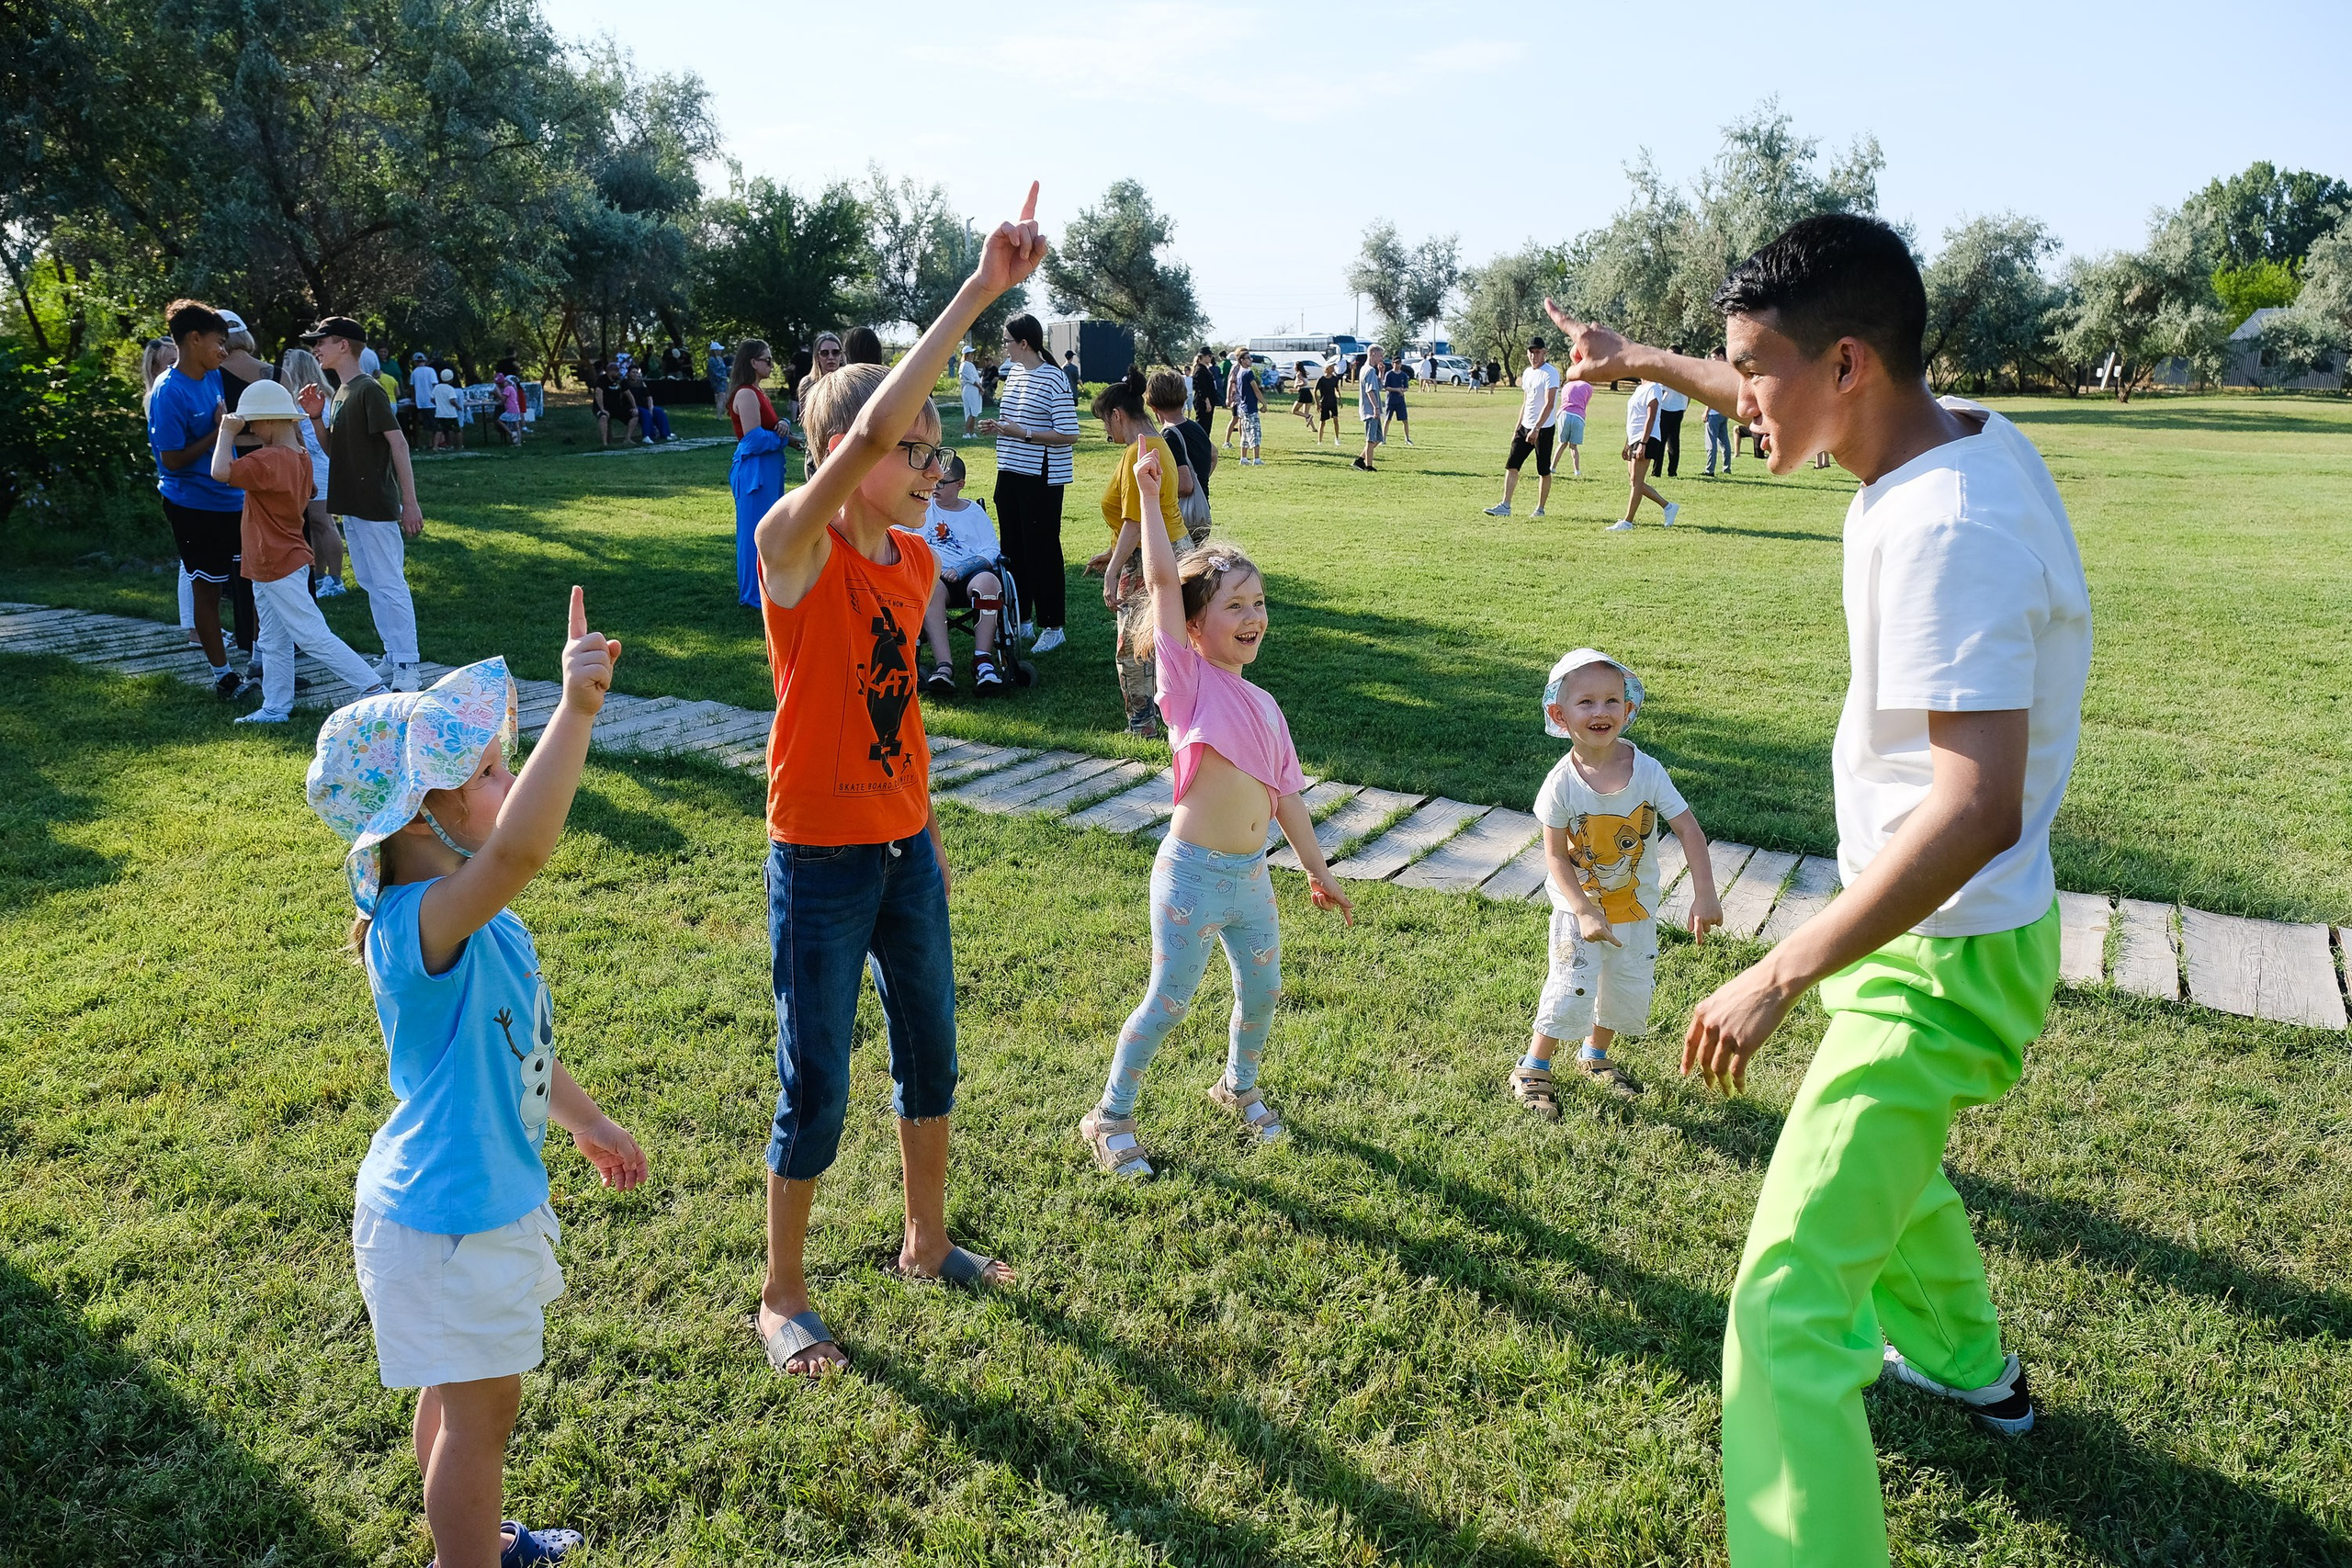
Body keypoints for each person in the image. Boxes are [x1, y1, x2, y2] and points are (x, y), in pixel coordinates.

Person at [1544, 211, 2093, 1568]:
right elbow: (1750, 383)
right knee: (1889, 1177)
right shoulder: (1936, 428)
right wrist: (1641, 362)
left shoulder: (1949, 529)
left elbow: (1978, 804)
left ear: (1848, 362)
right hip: (1931, 938)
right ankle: (1971, 1366)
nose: (1740, 404)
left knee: (1785, 1310)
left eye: (1759, 374)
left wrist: (1778, 965)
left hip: (1944, 957)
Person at [744, 182, 1044, 1379]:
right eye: (909, 450)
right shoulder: (790, 548)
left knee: (933, 1047)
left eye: (934, 449)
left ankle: (927, 1240)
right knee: (816, 1078)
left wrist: (918, 828)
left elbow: (894, 712)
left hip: (902, 847)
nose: (929, 464)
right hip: (815, 856)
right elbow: (865, 438)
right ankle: (781, 1290)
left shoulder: (919, 560)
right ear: (842, 458)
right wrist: (980, 291)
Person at [305, 596, 647, 1568]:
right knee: (483, 1414)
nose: (505, 778)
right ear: (427, 813)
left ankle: (472, 1539)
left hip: (457, 1204)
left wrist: (584, 1121)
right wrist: (575, 713)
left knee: (459, 1400)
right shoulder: (426, 924)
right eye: (490, 769)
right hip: (451, 1218)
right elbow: (523, 849)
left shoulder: (473, 920)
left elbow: (520, 1043)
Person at [1078, 442, 1354, 1179]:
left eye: (1259, 601)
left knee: (1262, 990)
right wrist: (1145, 493)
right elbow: (1165, 578)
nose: (1253, 615)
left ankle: (1238, 1086)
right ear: (1195, 627)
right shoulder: (1188, 685)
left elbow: (1286, 795)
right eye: (1234, 604)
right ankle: (1110, 1115)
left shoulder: (1266, 704)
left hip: (1251, 880)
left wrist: (1318, 871)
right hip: (1192, 877)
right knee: (1167, 1000)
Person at [1511, 650, 1722, 1111]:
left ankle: (1596, 1056)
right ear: (1559, 714)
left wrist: (1705, 894)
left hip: (1636, 905)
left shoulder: (1646, 770)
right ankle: (1534, 1066)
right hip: (1578, 909)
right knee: (1573, 982)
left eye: (1612, 701)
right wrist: (1584, 908)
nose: (1601, 711)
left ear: (1629, 710)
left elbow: (1688, 828)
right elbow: (1554, 855)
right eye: (1585, 702)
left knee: (1624, 982)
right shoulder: (1561, 784)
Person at [207, 382, 388, 722]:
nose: (252, 429)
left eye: (254, 423)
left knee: (311, 634)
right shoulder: (300, 457)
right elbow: (312, 489)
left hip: (274, 561)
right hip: (276, 561)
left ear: (272, 421)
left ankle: (372, 687)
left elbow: (219, 472)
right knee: (272, 639)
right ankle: (276, 706)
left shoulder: (266, 460)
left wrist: (225, 431)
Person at [300, 316, 427, 692]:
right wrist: (315, 417)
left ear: (344, 345)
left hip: (375, 503)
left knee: (389, 582)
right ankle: (392, 653)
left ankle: (408, 664)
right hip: (353, 504)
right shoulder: (341, 392)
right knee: (372, 582)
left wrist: (410, 502)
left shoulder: (368, 389)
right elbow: (333, 452)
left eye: (322, 342)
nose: (315, 349)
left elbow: (398, 443)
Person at [150, 299, 257, 697]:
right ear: (194, 340)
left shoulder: (212, 375)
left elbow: (223, 427)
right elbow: (173, 460)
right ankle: (224, 676)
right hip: (193, 506)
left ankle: (264, 665)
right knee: (208, 589)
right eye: (218, 342)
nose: (224, 351)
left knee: (259, 584)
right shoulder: (169, 391)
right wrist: (219, 433)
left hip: (233, 498)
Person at [975, 311, 1078, 654]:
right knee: (1013, 548)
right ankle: (1024, 619)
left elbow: (1069, 433)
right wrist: (999, 428)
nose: (1003, 347)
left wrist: (1026, 434)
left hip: (1042, 476)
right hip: (1010, 470)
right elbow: (1013, 420)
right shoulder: (1013, 373)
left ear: (1024, 343)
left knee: (1042, 549)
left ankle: (1053, 625)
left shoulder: (1054, 379)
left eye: (1006, 341)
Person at [1092, 368, 1185, 737]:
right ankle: (1176, 714)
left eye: (1105, 422)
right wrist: (1111, 551)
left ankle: (1141, 724)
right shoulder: (1159, 442)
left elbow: (1135, 521)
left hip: (1146, 557)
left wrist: (1113, 571)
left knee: (1132, 648)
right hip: (1172, 548)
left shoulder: (1139, 451)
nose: (1105, 432)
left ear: (1118, 414)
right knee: (1170, 638)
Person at [902, 453, 1007, 698]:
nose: (935, 487)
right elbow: (898, 534)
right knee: (930, 588)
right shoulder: (922, 507)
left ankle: (983, 661)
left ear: (960, 484)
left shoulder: (974, 513)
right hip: (935, 577)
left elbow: (991, 550)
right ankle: (944, 666)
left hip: (971, 574)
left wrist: (962, 569)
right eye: (933, 480)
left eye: (943, 482)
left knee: (990, 582)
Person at [143, 336, 205, 648]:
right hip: (184, 487)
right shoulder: (160, 395)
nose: (174, 366)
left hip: (196, 486)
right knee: (189, 561)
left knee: (194, 560)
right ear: (154, 368)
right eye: (168, 362)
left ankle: (200, 626)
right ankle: (194, 628)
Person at [277, 346, 349, 598]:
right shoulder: (301, 398)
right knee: (315, 525)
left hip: (319, 467)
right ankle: (319, 575)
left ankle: (337, 579)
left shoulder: (318, 401)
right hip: (308, 466)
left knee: (324, 522)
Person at [726, 341, 786, 609]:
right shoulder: (746, 394)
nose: (771, 365)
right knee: (754, 532)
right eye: (767, 360)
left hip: (769, 470)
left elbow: (771, 427)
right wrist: (781, 438)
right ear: (753, 362)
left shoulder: (759, 393)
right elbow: (755, 439)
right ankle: (752, 594)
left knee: (770, 530)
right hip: (755, 473)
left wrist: (783, 424)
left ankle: (766, 587)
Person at [1485, 336, 1561, 517]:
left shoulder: (1550, 373)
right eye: (1531, 352)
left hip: (1543, 428)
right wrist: (1518, 427)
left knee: (1543, 470)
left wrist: (1536, 428)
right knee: (1512, 465)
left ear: (1544, 352)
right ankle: (1505, 506)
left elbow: (1549, 404)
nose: (1534, 356)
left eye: (1537, 352)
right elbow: (1526, 402)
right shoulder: (1527, 373)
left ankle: (1540, 509)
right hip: (1525, 426)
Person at [1148, 366, 1216, 542]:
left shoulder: (1169, 435)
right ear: (1184, 398)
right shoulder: (1195, 427)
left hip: (1182, 519)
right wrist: (1201, 478)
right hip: (1201, 512)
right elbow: (1214, 454)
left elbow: (1185, 486)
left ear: (1153, 406)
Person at [1611, 379, 1679, 531]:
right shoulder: (1639, 388)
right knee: (1635, 481)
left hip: (1646, 439)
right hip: (1635, 438)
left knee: (1636, 482)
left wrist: (1643, 443)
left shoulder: (1654, 387)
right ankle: (1668, 507)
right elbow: (1633, 419)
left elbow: (1651, 416)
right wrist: (1627, 443)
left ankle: (1628, 522)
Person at [1351, 344, 1386, 471]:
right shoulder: (1370, 370)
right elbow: (1370, 391)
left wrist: (1381, 373)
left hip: (1371, 409)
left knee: (1378, 438)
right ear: (1372, 354)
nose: (1381, 358)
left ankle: (1360, 460)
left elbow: (1379, 386)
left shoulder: (1367, 369)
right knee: (1371, 439)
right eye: (1380, 355)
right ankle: (1368, 466)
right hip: (1370, 410)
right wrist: (1376, 408)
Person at [1226, 349, 1263, 466]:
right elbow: (1256, 390)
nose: (1250, 360)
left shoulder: (1239, 373)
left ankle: (1244, 458)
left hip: (1242, 406)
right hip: (1250, 407)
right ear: (1242, 360)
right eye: (1248, 358)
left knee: (1245, 433)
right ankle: (1256, 459)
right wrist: (1264, 403)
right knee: (1255, 432)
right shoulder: (1248, 373)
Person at [1655, 355, 1689, 478]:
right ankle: (1672, 472)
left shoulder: (1669, 372)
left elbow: (1660, 390)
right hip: (1679, 408)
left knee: (1662, 441)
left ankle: (1656, 471)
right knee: (1674, 442)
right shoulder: (1686, 372)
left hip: (1667, 408)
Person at [1703, 349, 1736, 475]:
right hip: (1724, 412)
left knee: (1711, 443)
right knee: (1724, 442)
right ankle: (1727, 468)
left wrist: (1706, 411)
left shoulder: (1717, 373)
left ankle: (1709, 469)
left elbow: (1712, 395)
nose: (1712, 360)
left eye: (1714, 357)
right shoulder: (1729, 371)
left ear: (1721, 356)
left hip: (1714, 413)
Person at [1555, 374, 1592, 479]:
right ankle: (1577, 471)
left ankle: (1552, 468)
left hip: (1564, 414)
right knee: (1574, 446)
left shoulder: (1567, 385)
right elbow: (1585, 403)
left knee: (1562, 443)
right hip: (1578, 416)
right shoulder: (1588, 387)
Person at [626, 367, 672, 444]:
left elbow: (649, 397)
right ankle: (647, 436)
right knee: (645, 413)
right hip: (633, 406)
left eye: (636, 372)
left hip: (644, 405)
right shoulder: (625, 383)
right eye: (633, 372)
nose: (635, 374)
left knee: (659, 411)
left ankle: (665, 434)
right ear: (628, 373)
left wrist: (651, 408)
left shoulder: (641, 383)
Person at [1383, 355, 1414, 445]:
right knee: (1387, 420)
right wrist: (1396, 390)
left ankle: (1407, 439)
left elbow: (1406, 387)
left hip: (1400, 401)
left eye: (1399, 363)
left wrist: (1402, 390)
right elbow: (1386, 387)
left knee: (1405, 420)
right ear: (1393, 364)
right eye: (1396, 363)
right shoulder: (1389, 374)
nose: (1398, 365)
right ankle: (1383, 439)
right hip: (1391, 400)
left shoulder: (1403, 375)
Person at [408, 353, 437, 447]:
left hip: (420, 402)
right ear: (425, 360)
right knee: (433, 424)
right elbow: (434, 385)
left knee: (424, 424)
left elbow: (411, 387)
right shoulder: (431, 371)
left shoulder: (414, 372)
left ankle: (425, 443)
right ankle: (433, 443)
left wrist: (413, 398)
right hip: (431, 401)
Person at [428, 369, 460, 452]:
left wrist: (438, 404)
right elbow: (452, 400)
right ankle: (459, 446)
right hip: (451, 414)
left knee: (439, 431)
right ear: (451, 379)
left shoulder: (437, 387)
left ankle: (435, 446)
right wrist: (457, 406)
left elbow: (432, 399)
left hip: (440, 413)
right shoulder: (450, 389)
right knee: (456, 430)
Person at [494, 370, 525, 447]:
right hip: (516, 409)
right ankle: (518, 443)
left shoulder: (507, 388)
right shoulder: (513, 388)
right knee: (517, 426)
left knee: (499, 420)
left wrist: (497, 393)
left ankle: (511, 433)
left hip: (510, 410)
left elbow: (503, 399)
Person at [1314, 360, 1341, 445]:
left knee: (1336, 420)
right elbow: (1315, 391)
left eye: (1333, 367)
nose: (1333, 369)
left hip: (1333, 402)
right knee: (1322, 422)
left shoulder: (1335, 379)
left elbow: (1337, 390)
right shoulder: (1321, 379)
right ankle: (1320, 441)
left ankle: (1337, 439)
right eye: (1331, 367)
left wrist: (1340, 399)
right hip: (1324, 402)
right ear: (1327, 368)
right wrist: (1317, 403)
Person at [1191, 347, 1220, 428]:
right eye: (1209, 356)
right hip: (1204, 401)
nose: (1211, 358)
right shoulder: (1200, 370)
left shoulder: (1204, 369)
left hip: (1208, 400)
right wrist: (1207, 402)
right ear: (1202, 357)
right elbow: (1201, 388)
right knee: (1203, 425)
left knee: (1207, 425)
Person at [957, 351, 984, 437]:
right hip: (969, 389)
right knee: (970, 412)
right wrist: (980, 387)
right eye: (971, 354)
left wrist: (979, 387)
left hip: (974, 390)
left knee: (974, 411)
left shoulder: (971, 365)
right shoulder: (964, 365)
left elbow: (976, 378)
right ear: (967, 355)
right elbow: (971, 380)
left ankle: (971, 432)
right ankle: (966, 432)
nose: (972, 356)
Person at [1291, 361, 1317, 429]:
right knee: (1306, 413)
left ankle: (1309, 417)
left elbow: (1304, 383)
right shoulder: (1303, 374)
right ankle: (1314, 428)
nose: (1293, 367)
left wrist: (1296, 385)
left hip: (1303, 394)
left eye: (1294, 366)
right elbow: (1304, 386)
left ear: (1297, 367)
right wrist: (1293, 390)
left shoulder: (1298, 374)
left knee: (1294, 411)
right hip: (1307, 392)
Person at [708, 341, 730, 414]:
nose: (720, 350)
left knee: (724, 398)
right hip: (718, 382)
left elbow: (723, 369)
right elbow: (714, 372)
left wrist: (730, 368)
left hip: (723, 381)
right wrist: (722, 377)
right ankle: (719, 416)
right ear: (715, 350)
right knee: (720, 398)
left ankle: (722, 413)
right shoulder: (712, 360)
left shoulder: (719, 358)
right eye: (719, 349)